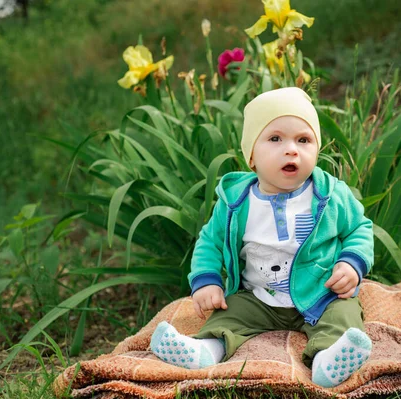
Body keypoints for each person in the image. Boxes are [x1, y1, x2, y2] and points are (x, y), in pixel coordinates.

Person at [150, 87, 374, 388]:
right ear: (251, 156)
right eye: (275, 139)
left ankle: (327, 359)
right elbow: (210, 241)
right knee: (227, 314)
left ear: (316, 150)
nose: (292, 149)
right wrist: (207, 280)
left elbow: (359, 228)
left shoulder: (329, 195)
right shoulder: (236, 202)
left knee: (343, 314)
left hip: (321, 294)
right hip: (258, 297)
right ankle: (205, 349)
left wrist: (351, 264)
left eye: (304, 140)